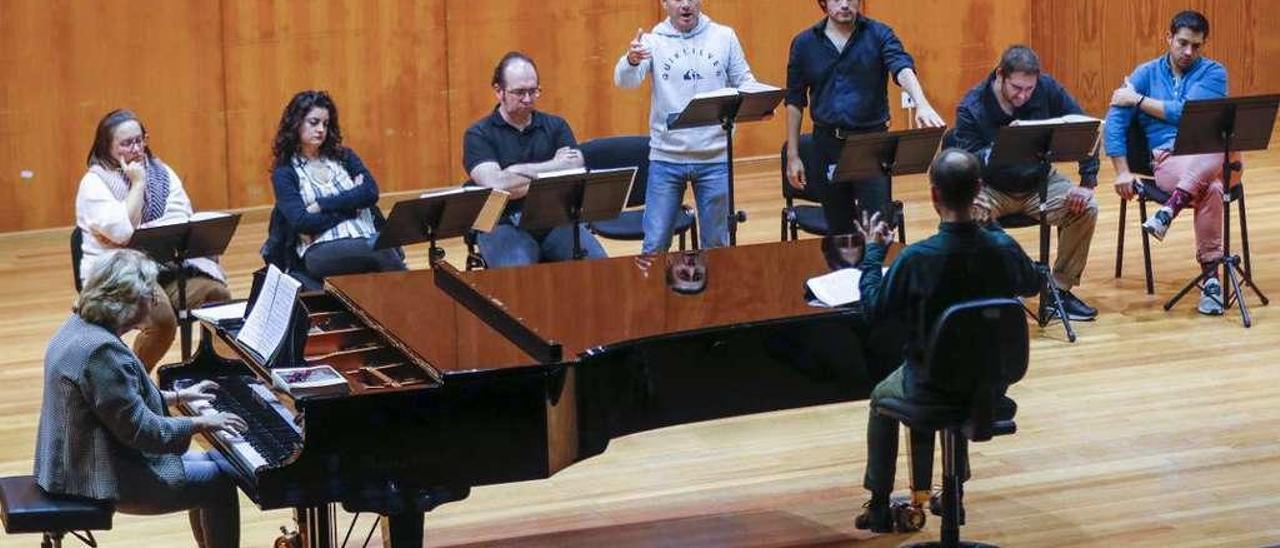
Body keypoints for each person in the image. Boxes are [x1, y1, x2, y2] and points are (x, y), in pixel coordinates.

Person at [854, 149, 1040, 532]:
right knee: (969, 370)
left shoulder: (917, 258)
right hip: (990, 384)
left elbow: (874, 310)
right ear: (978, 191)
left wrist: (873, 253)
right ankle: (954, 495)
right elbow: (1034, 282)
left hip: (930, 385)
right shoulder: (1001, 247)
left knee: (880, 397)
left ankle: (877, 506)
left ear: (934, 195)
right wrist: (997, 230)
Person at [34, 249, 248, 548]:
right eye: (150, 292)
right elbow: (142, 432)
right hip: (96, 475)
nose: (157, 300)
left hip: (71, 462)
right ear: (125, 301)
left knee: (213, 464)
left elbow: (114, 401)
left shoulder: (77, 328)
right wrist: (201, 423)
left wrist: (179, 396)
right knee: (219, 482)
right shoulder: (100, 352)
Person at [75, 109, 232, 370]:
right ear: (107, 146)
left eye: (140, 139)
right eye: (126, 143)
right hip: (119, 276)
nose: (136, 148)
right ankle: (133, 382)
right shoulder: (95, 182)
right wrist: (137, 184)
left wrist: (148, 227)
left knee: (217, 295)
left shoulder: (160, 171)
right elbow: (123, 232)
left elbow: (180, 216)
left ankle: (209, 366)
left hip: (164, 268)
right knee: (162, 322)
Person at [1105, 10, 1238, 316]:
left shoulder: (1214, 72)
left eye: (1196, 46)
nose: (1189, 52)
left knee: (1218, 152)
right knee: (1214, 184)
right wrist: (1122, 172)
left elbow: (1186, 113)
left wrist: (1137, 100)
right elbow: (1115, 122)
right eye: (1182, 43)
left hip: (1207, 152)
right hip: (1168, 160)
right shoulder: (1144, 74)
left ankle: (1169, 211)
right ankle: (1211, 280)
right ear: (1168, 38)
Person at [953, 45, 1099, 321]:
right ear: (1000, 75)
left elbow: (1085, 127)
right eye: (1017, 88)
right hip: (991, 185)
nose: (1023, 95)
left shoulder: (1047, 89)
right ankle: (1002, 285)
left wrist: (1087, 182)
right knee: (966, 216)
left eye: (1029, 89)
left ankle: (1058, 291)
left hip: (1038, 182)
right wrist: (1003, 147)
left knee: (1087, 207)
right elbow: (966, 161)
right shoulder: (972, 106)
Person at [785, 0, 945, 235]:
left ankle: (874, 271)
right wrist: (793, 155)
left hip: (872, 142)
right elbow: (795, 100)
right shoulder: (804, 43)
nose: (845, 4)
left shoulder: (879, 34)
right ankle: (846, 272)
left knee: (876, 226)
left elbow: (901, 67)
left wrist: (921, 103)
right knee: (839, 229)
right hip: (827, 143)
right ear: (823, 3)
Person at [615, 0, 757, 253]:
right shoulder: (652, 41)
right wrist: (632, 60)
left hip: (714, 159)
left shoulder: (724, 37)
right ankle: (655, 292)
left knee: (716, 245)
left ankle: (716, 292)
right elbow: (625, 81)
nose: (685, 5)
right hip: (666, 159)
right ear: (665, 3)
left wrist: (760, 102)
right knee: (655, 243)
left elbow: (744, 80)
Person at [463, 52, 606, 268]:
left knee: (598, 266)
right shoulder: (478, 134)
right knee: (519, 276)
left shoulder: (556, 126)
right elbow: (497, 186)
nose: (528, 99)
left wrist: (516, 172)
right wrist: (553, 167)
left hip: (553, 218)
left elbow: (574, 170)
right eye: (519, 92)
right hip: (500, 223)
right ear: (498, 91)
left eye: (533, 91)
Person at [265, 90, 406, 282]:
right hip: (321, 248)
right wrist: (351, 206)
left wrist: (322, 205)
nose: (321, 129)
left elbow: (370, 193)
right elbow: (302, 222)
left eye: (325, 124)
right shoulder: (285, 172)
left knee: (381, 247)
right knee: (380, 249)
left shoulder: (344, 157)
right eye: (313, 122)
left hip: (365, 235)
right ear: (296, 124)